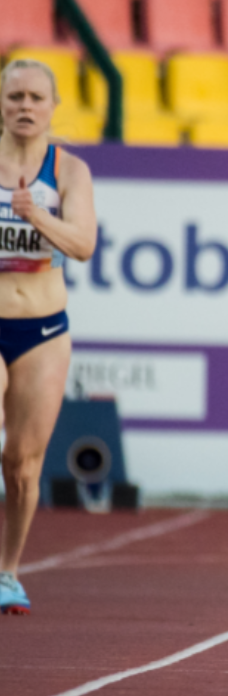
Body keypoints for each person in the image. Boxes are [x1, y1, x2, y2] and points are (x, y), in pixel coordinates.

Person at [0, 60, 99, 615]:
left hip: (42, 330)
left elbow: (83, 245)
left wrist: (35, 215)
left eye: (36, 97)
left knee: (22, 465)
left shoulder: (69, 171)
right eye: (15, 97)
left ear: (53, 105)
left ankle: (8, 572)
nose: (25, 107)